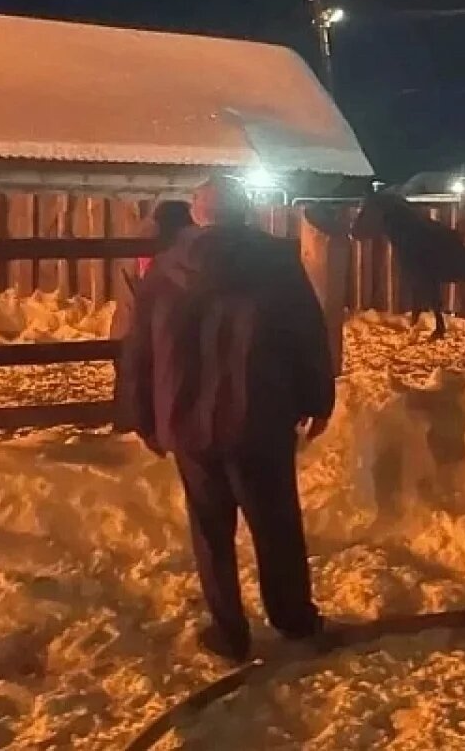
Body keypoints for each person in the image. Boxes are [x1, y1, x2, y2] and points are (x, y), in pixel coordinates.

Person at [118, 174, 335, 662]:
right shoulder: (276, 262)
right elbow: (306, 334)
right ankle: (293, 619)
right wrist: (317, 399)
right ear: (246, 210)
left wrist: (143, 415)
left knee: (210, 531)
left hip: (186, 419)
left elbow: (139, 349)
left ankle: (229, 631)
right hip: (261, 416)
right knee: (276, 523)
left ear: (198, 213)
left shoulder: (165, 267)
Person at [111, 200, 197, 432]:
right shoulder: (163, 249)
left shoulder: (143, 239)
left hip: (131, 329)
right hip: (148, 329)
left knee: (133, 386)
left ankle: (129, 428)